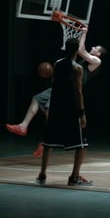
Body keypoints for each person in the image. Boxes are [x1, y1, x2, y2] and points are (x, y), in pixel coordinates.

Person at [5, 26, 106, 157]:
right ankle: (23, 126)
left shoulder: (97, 61)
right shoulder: (83, 61)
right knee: (37, 98)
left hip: (69, 89)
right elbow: (80, 51)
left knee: (50, 111)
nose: (92, 48)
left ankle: (46, 142)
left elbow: (81, 50)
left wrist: (84, 33)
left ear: (99, 54)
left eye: (95, 48)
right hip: (61, 85)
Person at [35, 37, 92, 186]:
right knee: (81, 145)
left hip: (56, 107)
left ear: (65, 48)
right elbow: (78, 92)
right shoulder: (77, 68)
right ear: (77, 50)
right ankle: (74, 177)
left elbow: (56, 86)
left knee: (48, 142)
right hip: (70, 108)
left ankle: (42, 173)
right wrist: (82, 113)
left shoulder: (57, 64)